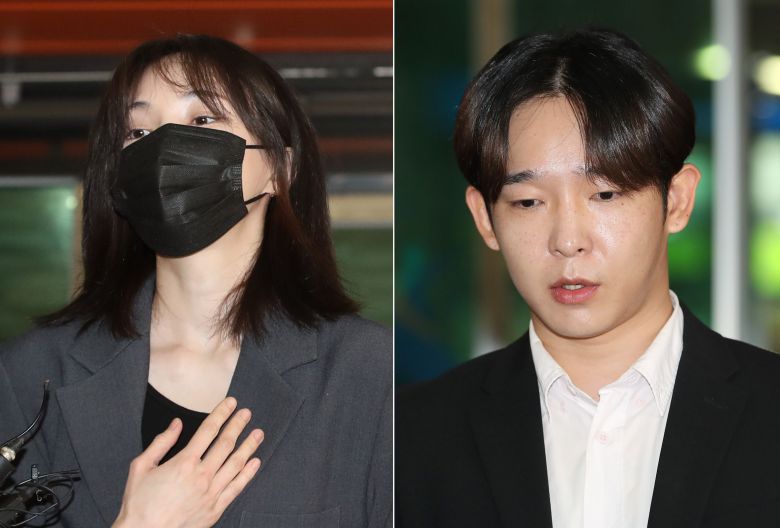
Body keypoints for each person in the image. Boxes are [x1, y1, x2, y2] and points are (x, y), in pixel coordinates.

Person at [0, 34, 391, 528]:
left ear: (280, 169)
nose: (163, 147)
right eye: (138, 132)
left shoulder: (369, 373)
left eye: (202, 120)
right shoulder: (32, 373)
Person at [396, 28, 780, 528]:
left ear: (677, 201)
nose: (568, 240)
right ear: (485, 219)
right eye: (528, 202)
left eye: (605, 194)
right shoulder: (410, 438)